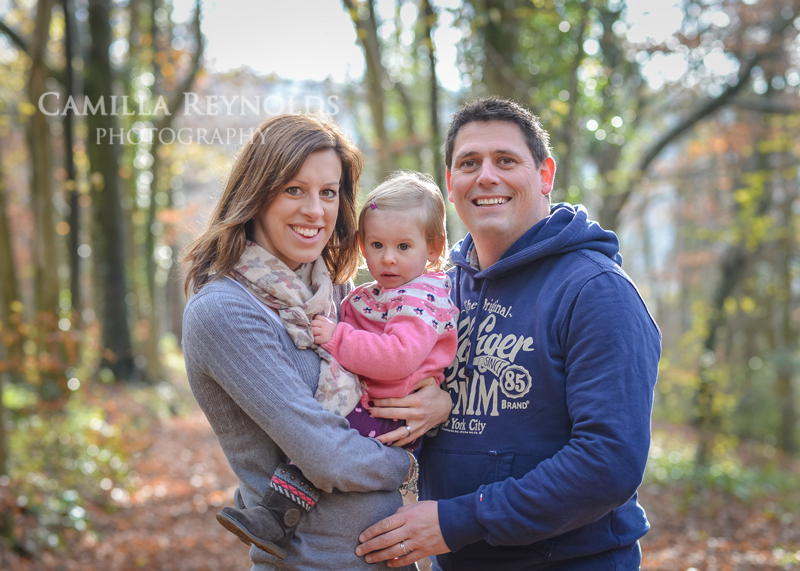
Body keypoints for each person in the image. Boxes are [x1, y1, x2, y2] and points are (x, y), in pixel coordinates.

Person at [356, 97, 661, 570]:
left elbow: (608, 462)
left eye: (506, 161)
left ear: (545, 175)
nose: (486, 176)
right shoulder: (435, 290)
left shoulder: (595, 292)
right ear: (451, 188)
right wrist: (440, 403)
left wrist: (458, 521)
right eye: (468, 163)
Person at [181, 114, 452, 571]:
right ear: (257, 193)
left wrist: (438, 403)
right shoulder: (225, 311)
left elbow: (403, 371)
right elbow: (327, 456)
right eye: (294, 189)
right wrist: (406, 466)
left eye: (328, 192)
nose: (316, 210)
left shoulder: (338, 297)